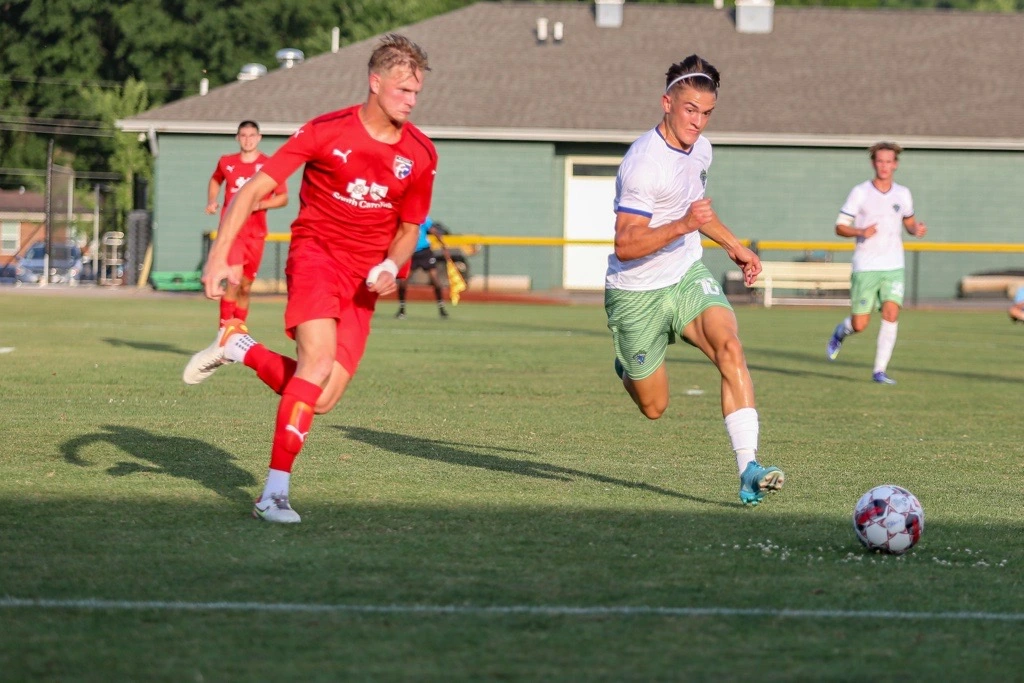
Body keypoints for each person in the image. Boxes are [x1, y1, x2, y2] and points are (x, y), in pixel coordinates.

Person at [183, 34, 437, 523]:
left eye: (416, 92)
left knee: (320, 398)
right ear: (375, 82)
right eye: (403, 89)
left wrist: (390, 264)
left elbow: (409, 230)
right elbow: (253, 190)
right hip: (316, 256)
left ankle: (238, 346)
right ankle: (273, 494)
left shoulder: (422, 155)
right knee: (316, 363)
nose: (410, 100)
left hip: (365, 281)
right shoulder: (326, 131)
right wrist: (219, 256)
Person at [605, 54, 784, 506]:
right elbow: (626, 244)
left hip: (685, 275)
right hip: (636, 293)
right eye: (690, 110)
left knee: (731, 347)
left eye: (707, 113)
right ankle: (628, 366)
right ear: (667, 103)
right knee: (654, 407)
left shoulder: (702, 149)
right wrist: (682, 226)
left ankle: (748, 467)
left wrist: (734, 245)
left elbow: (697, 209)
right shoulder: (644, 163)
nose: (698, 122)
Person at [825, 142, 927, 384]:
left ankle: (879, 371)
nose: (884, 166)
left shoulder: (903, 193)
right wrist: (861, 231)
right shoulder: (860, 192)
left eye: (889, 161)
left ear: (895, 164)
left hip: (893, 265)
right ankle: (841, 331)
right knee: (860, 324)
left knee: (891, 313)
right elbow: (839, 227)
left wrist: (916, 229)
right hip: (866, 265)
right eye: (880, 161)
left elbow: (909, 222)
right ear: (873, 163)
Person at [205, 120, 288, 327]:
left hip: (256, 233)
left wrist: (258, 204)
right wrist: (212, 200)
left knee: (245, 286)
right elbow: (215, 180)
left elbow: (283, 197)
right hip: (233, 232)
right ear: (237, 138)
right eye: (243, 135)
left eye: (252, 136)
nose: (248, 140)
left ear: (259, 138)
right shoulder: (227, 162)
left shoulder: (269, 165)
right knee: (233, 281)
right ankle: (224, 335)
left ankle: (238, 333)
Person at [394, 216, 451, 319]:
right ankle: (402, 309)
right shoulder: (403, 219)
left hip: (425, 252)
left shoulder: (423, 218)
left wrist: (444, 247)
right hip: (410, 253)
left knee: (435, 280)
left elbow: (434, 231)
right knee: (403, 282)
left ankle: (441, 308)